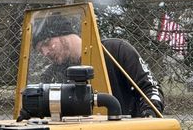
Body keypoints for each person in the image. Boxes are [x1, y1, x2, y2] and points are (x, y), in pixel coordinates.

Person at [32, 13, 164, 118]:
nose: (45, 52)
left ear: (64, 33)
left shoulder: (116, 51)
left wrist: (148, 116)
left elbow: (149, 88)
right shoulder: (52, 75)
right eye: (40, 50)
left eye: (46, 42)